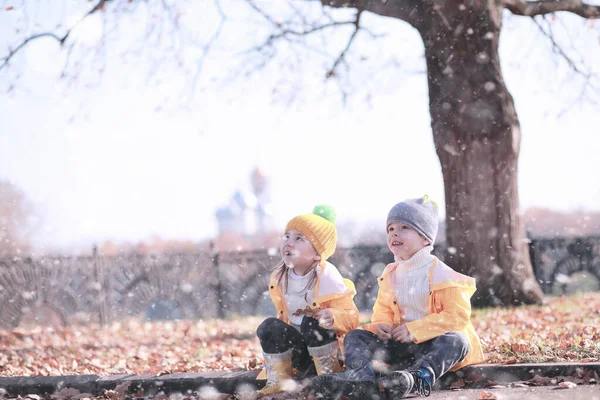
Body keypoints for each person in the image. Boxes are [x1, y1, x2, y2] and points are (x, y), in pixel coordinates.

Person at [312, 195, 484, 399]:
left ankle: (416, 378)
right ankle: (361, 378)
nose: (394, 233)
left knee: (458, 340)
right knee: (356, 336)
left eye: (404, 227)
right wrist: (382, 326)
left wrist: (414, 330)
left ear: (425, 238)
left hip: (432, 347)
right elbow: (383, 310)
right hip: (401, 347)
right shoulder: (390, 274)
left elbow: (457, 317)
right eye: (391, 229)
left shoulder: (443, 275)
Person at [256, 205, 360, 396]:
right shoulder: (280, 276)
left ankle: (328, 377)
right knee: (269, 326)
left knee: (312, 320)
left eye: (299, 239)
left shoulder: (327, 277)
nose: (289, 242)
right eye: (287, 236)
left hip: (326, 347)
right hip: (299, 350)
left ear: (317, 254)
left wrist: (334, 316)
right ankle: (280, 378)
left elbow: (352, 317)